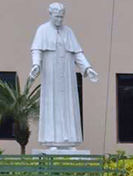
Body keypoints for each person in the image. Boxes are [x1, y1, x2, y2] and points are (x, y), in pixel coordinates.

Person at [29, 2, 99, 149]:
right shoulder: (42, 30)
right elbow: (36, 50)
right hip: (51, 73)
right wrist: (36, 65)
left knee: (68, 104)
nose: (59, 20)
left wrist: (87, 68)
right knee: (52, 104)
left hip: (67, 75)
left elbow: (77, 52)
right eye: (57, 17)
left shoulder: (68, 31)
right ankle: (52, 140)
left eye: (61, 17)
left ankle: (69, 141)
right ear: (50, 15)